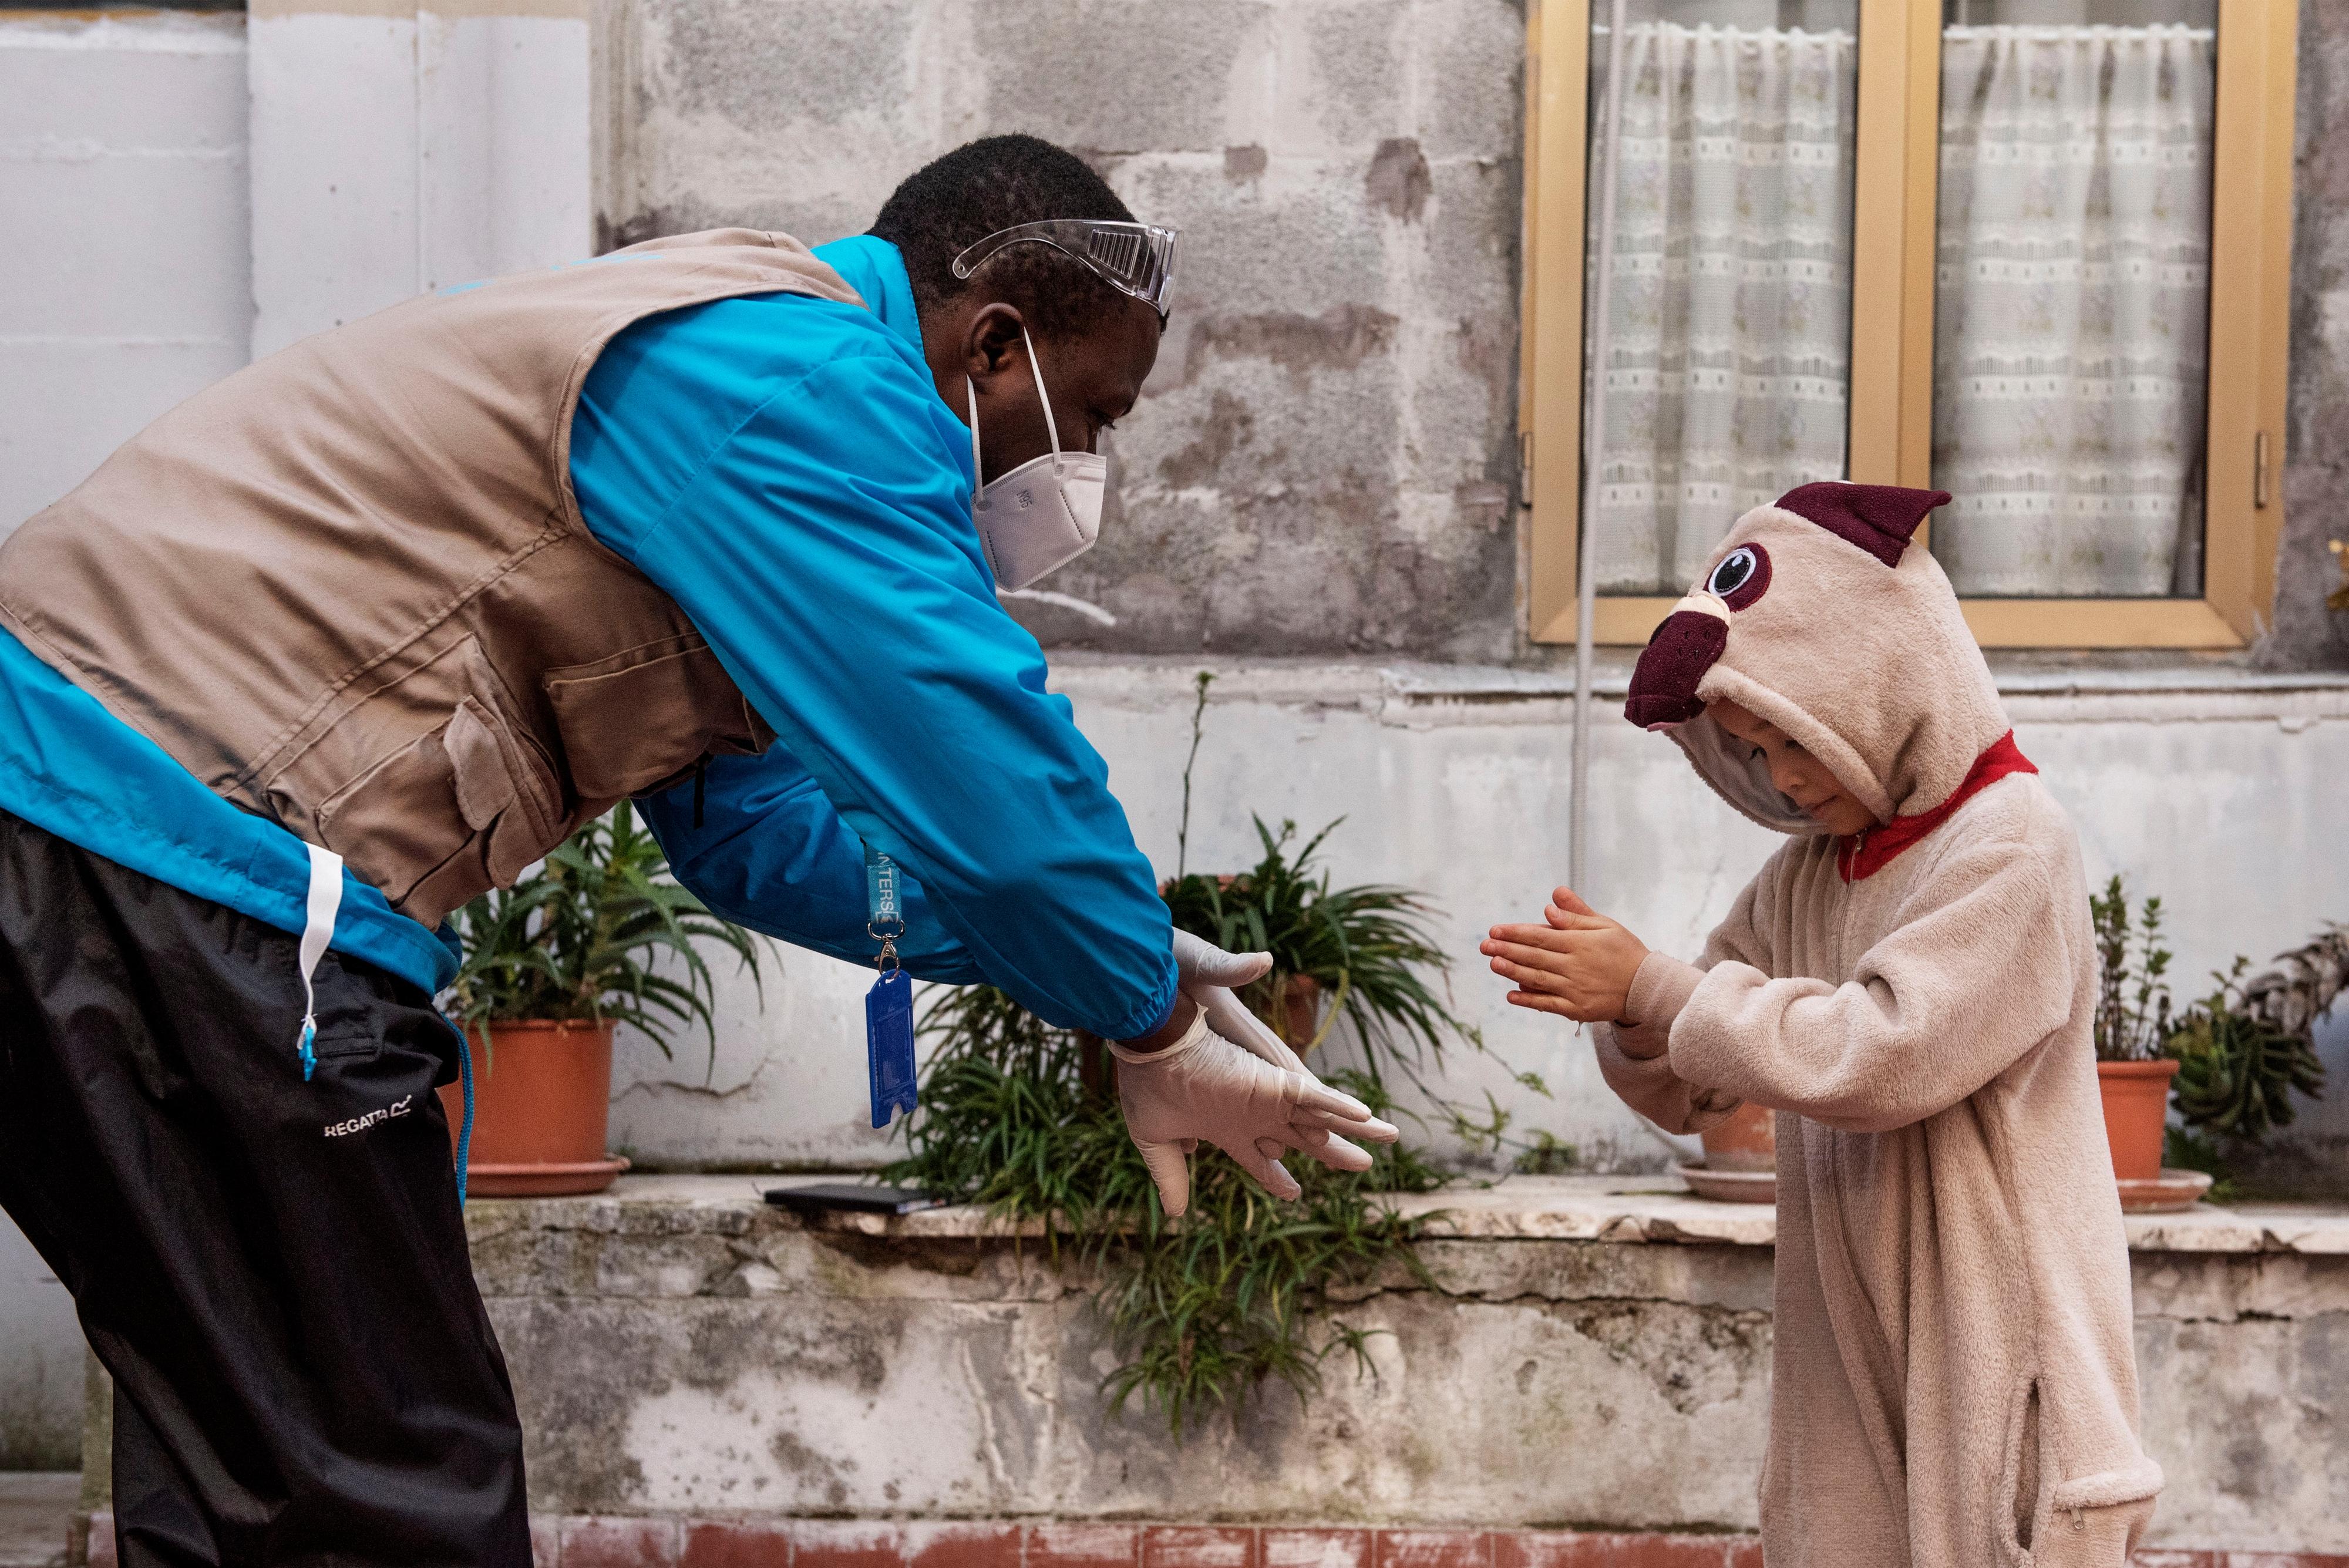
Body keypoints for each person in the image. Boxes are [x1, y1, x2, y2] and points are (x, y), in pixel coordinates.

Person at [0, 134, 1394, 1567]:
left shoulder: (739, 386)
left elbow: (760, 835)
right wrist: (1147, 1019)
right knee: (379, 1497)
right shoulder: (804, 389)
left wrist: (1122, 965)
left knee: (262, 1470)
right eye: (1092, 412)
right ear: (991, 348)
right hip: (165, 854)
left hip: (93, 835)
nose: (1090, 463)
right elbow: (985, 777)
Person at [1479, 483, 2160, 1567]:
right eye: (1754, 750)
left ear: (1886, 679)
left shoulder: (2014, 845)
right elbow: (1700, 1067)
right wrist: (1626, 1012)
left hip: (1999, 1345)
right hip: (1849, 1348)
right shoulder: (1810, 875)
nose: (1784, 777)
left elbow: (1879, 1050)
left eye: (1797, 735)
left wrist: (1656, 989)